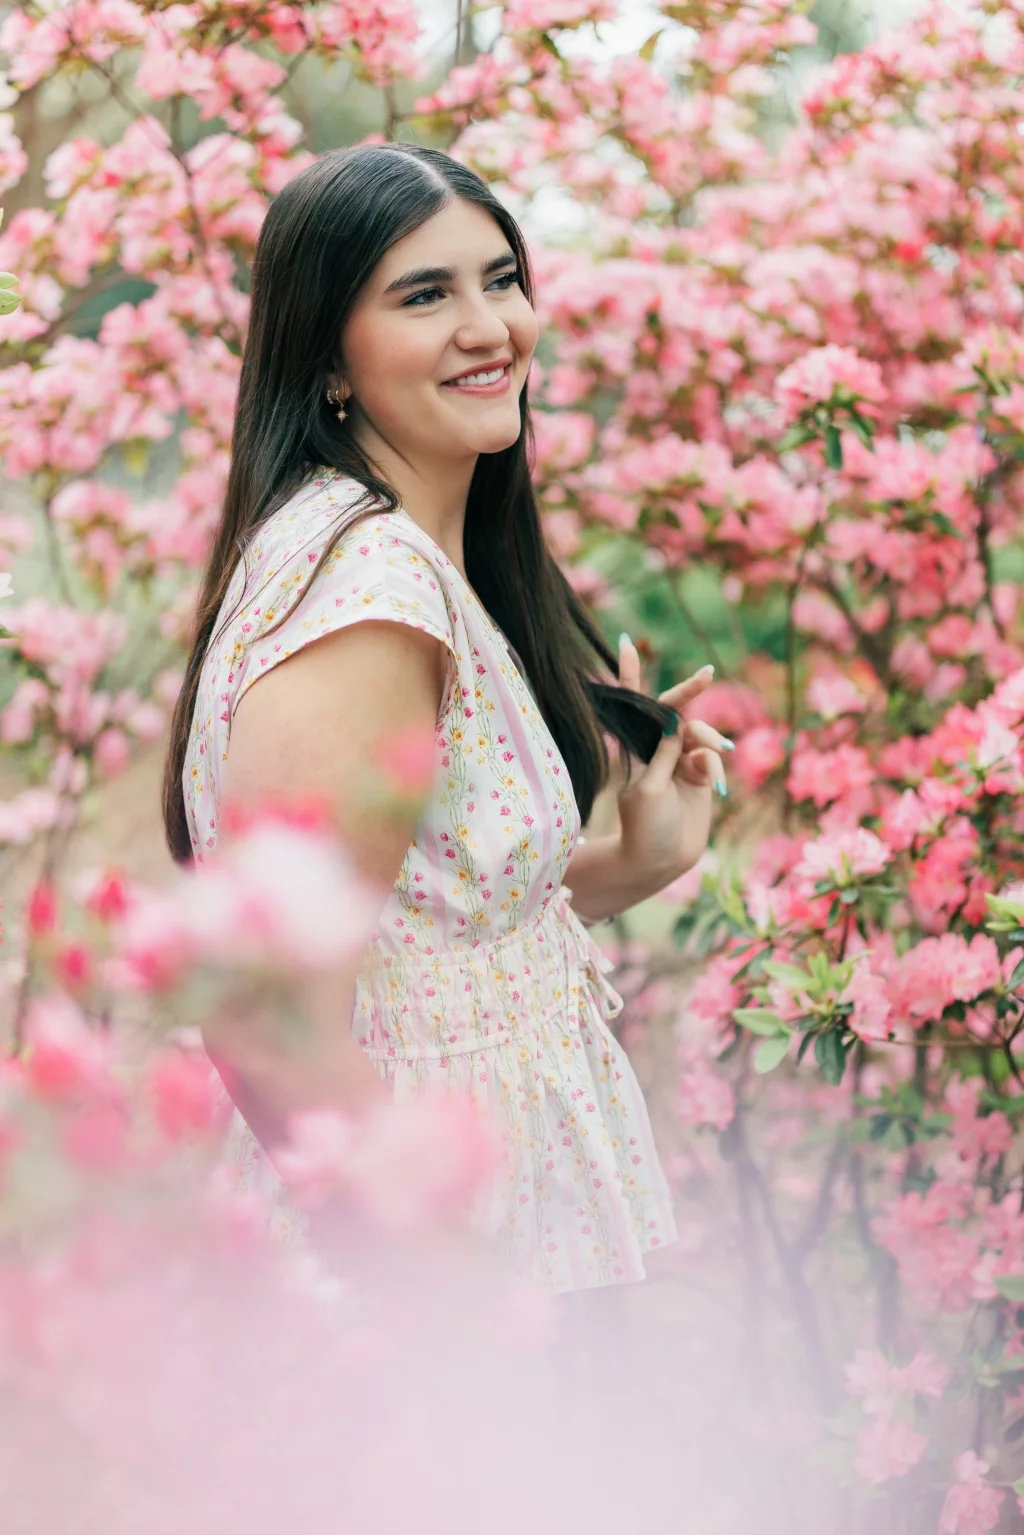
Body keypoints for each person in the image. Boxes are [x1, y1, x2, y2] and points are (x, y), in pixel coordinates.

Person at [162, 143, 730, 1294]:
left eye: (501, 278)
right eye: (426, 294)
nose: (491, 328)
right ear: (327, 353)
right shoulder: (368, 595)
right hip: (426, 1272)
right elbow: (268, 1016)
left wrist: (632, 858)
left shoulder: (408, 554)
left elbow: (420, 945)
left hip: (504, 1224)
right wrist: (446, 1307)